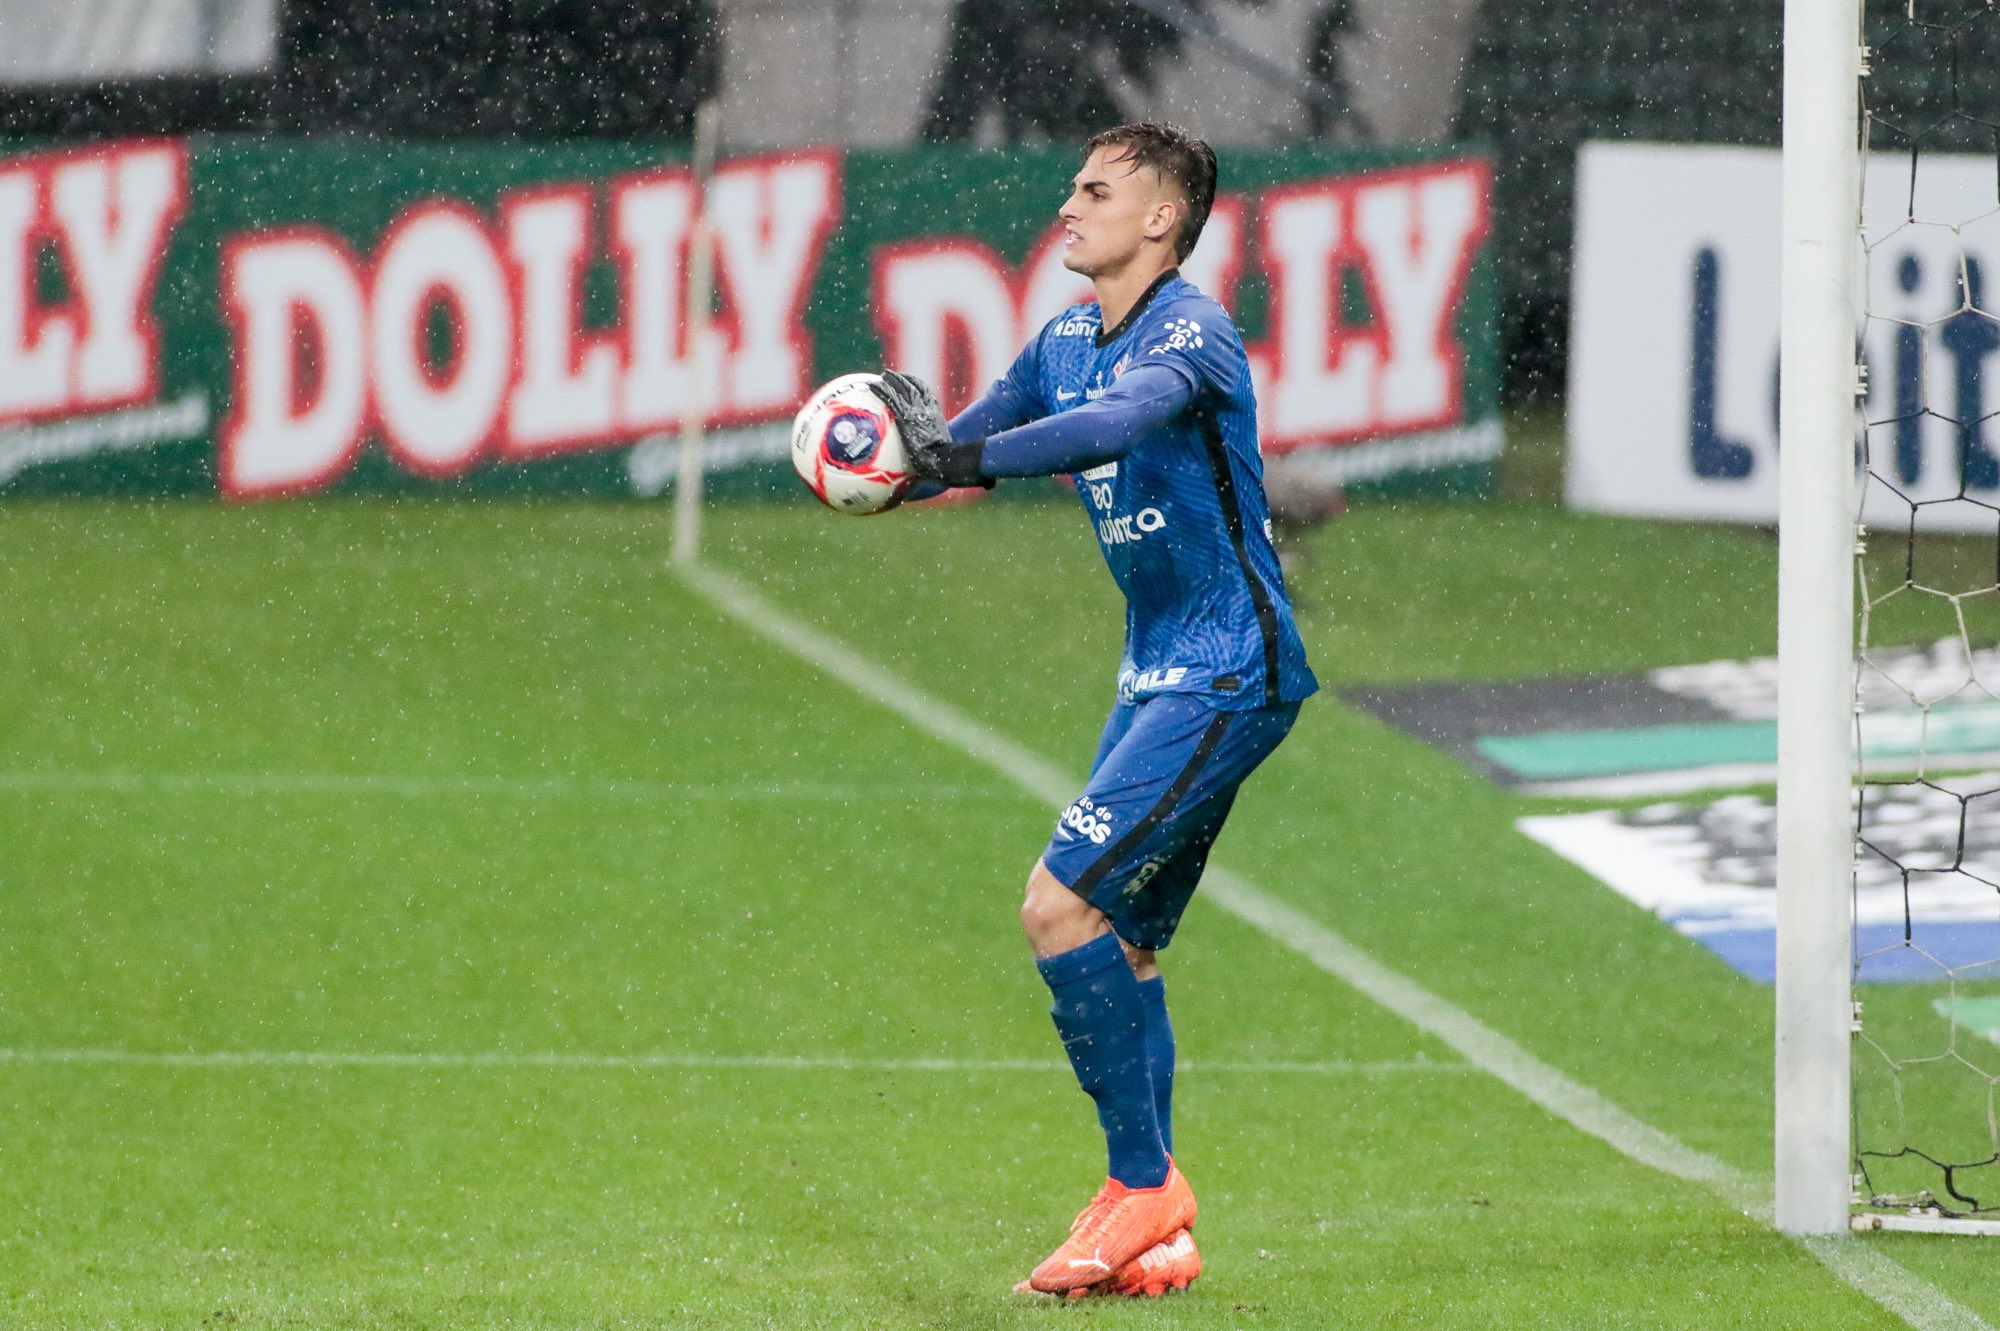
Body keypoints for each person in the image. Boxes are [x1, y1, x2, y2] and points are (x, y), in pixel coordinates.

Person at [875, 121, 1318, 1299]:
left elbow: (1113, 426)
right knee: (1121, 937)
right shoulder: (1063, 338)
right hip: (1155, 671)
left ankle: (1139, 1186)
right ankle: (1159, 1227)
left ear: (1161, 217)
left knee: (1055, 905)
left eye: (1095, 189)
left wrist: (963, 465)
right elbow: (966, 448)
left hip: (1230, 666)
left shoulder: (1191, 330)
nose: (1067, 206)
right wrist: (888, 460)